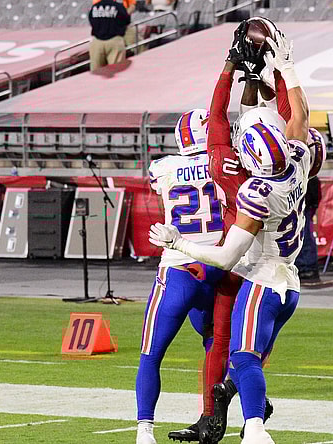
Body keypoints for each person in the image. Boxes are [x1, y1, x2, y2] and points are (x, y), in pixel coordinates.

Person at [150, 29, 311, 444]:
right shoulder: (300, 159)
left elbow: (220, 116)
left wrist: (232, 66)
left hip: (237, 264)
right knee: (248, 350)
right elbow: (295, 116)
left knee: (227, 345)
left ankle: (220, 414)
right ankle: (231, 401)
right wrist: (278, 69)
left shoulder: (241, 182)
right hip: (286, 274)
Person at [135, 109, 227, 444]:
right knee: (219, 352)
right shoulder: (227, 162)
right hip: (219, 266)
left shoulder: (163, 167)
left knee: (151, 353)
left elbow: (158, 184)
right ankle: (241, 421)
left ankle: (145, 429)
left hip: (178, 267)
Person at [295, 130, 324, 282]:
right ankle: (305, 267)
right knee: (302, 234)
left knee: (304, 235)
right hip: (305, 199)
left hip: (305, 200)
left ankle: (308, 267)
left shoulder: (303, 157)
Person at [88, 0, 131, 72]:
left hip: (97, 41)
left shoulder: (95, 7)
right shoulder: (118, 7)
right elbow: (126, 20)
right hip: (115, 40)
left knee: (96, 72)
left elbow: (91, 21)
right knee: (117, 71)